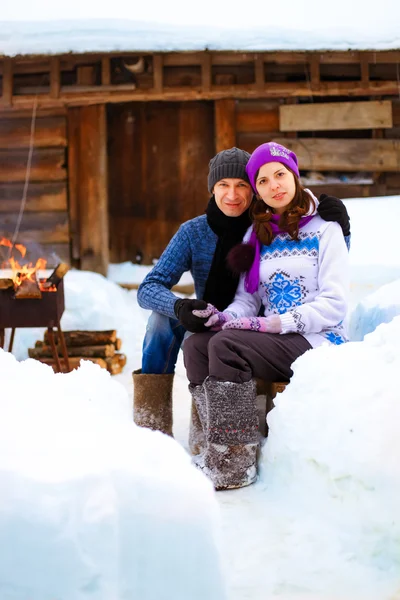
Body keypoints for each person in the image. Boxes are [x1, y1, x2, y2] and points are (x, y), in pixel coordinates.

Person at [135, 147, 351, 439]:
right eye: (223, 185)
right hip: (218, 316)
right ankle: (157, 428)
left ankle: (233, 442)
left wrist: (344, 229)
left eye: (242, 186)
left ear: (254, 192)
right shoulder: (198, 232)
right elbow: (149, 286)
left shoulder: (264, 224)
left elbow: (321, 273)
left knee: (223, 345)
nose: (232, 195)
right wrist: (180, 308)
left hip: (268, 324)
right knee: (161, 324)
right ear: (212, 189)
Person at [183, 142, 349, 491]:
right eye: (263, 180)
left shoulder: (326, 228)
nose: (274, 185)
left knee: (227, 346)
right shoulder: (257, 235)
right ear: (257, 190)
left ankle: (234, 463)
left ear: (294, 175)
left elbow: (334, 303)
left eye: (280, 174)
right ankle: (214, 444)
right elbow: (247, 299)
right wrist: (223, 317)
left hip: (318, 339)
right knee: (198, 344)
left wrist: (276, 323)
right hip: (276, 340)